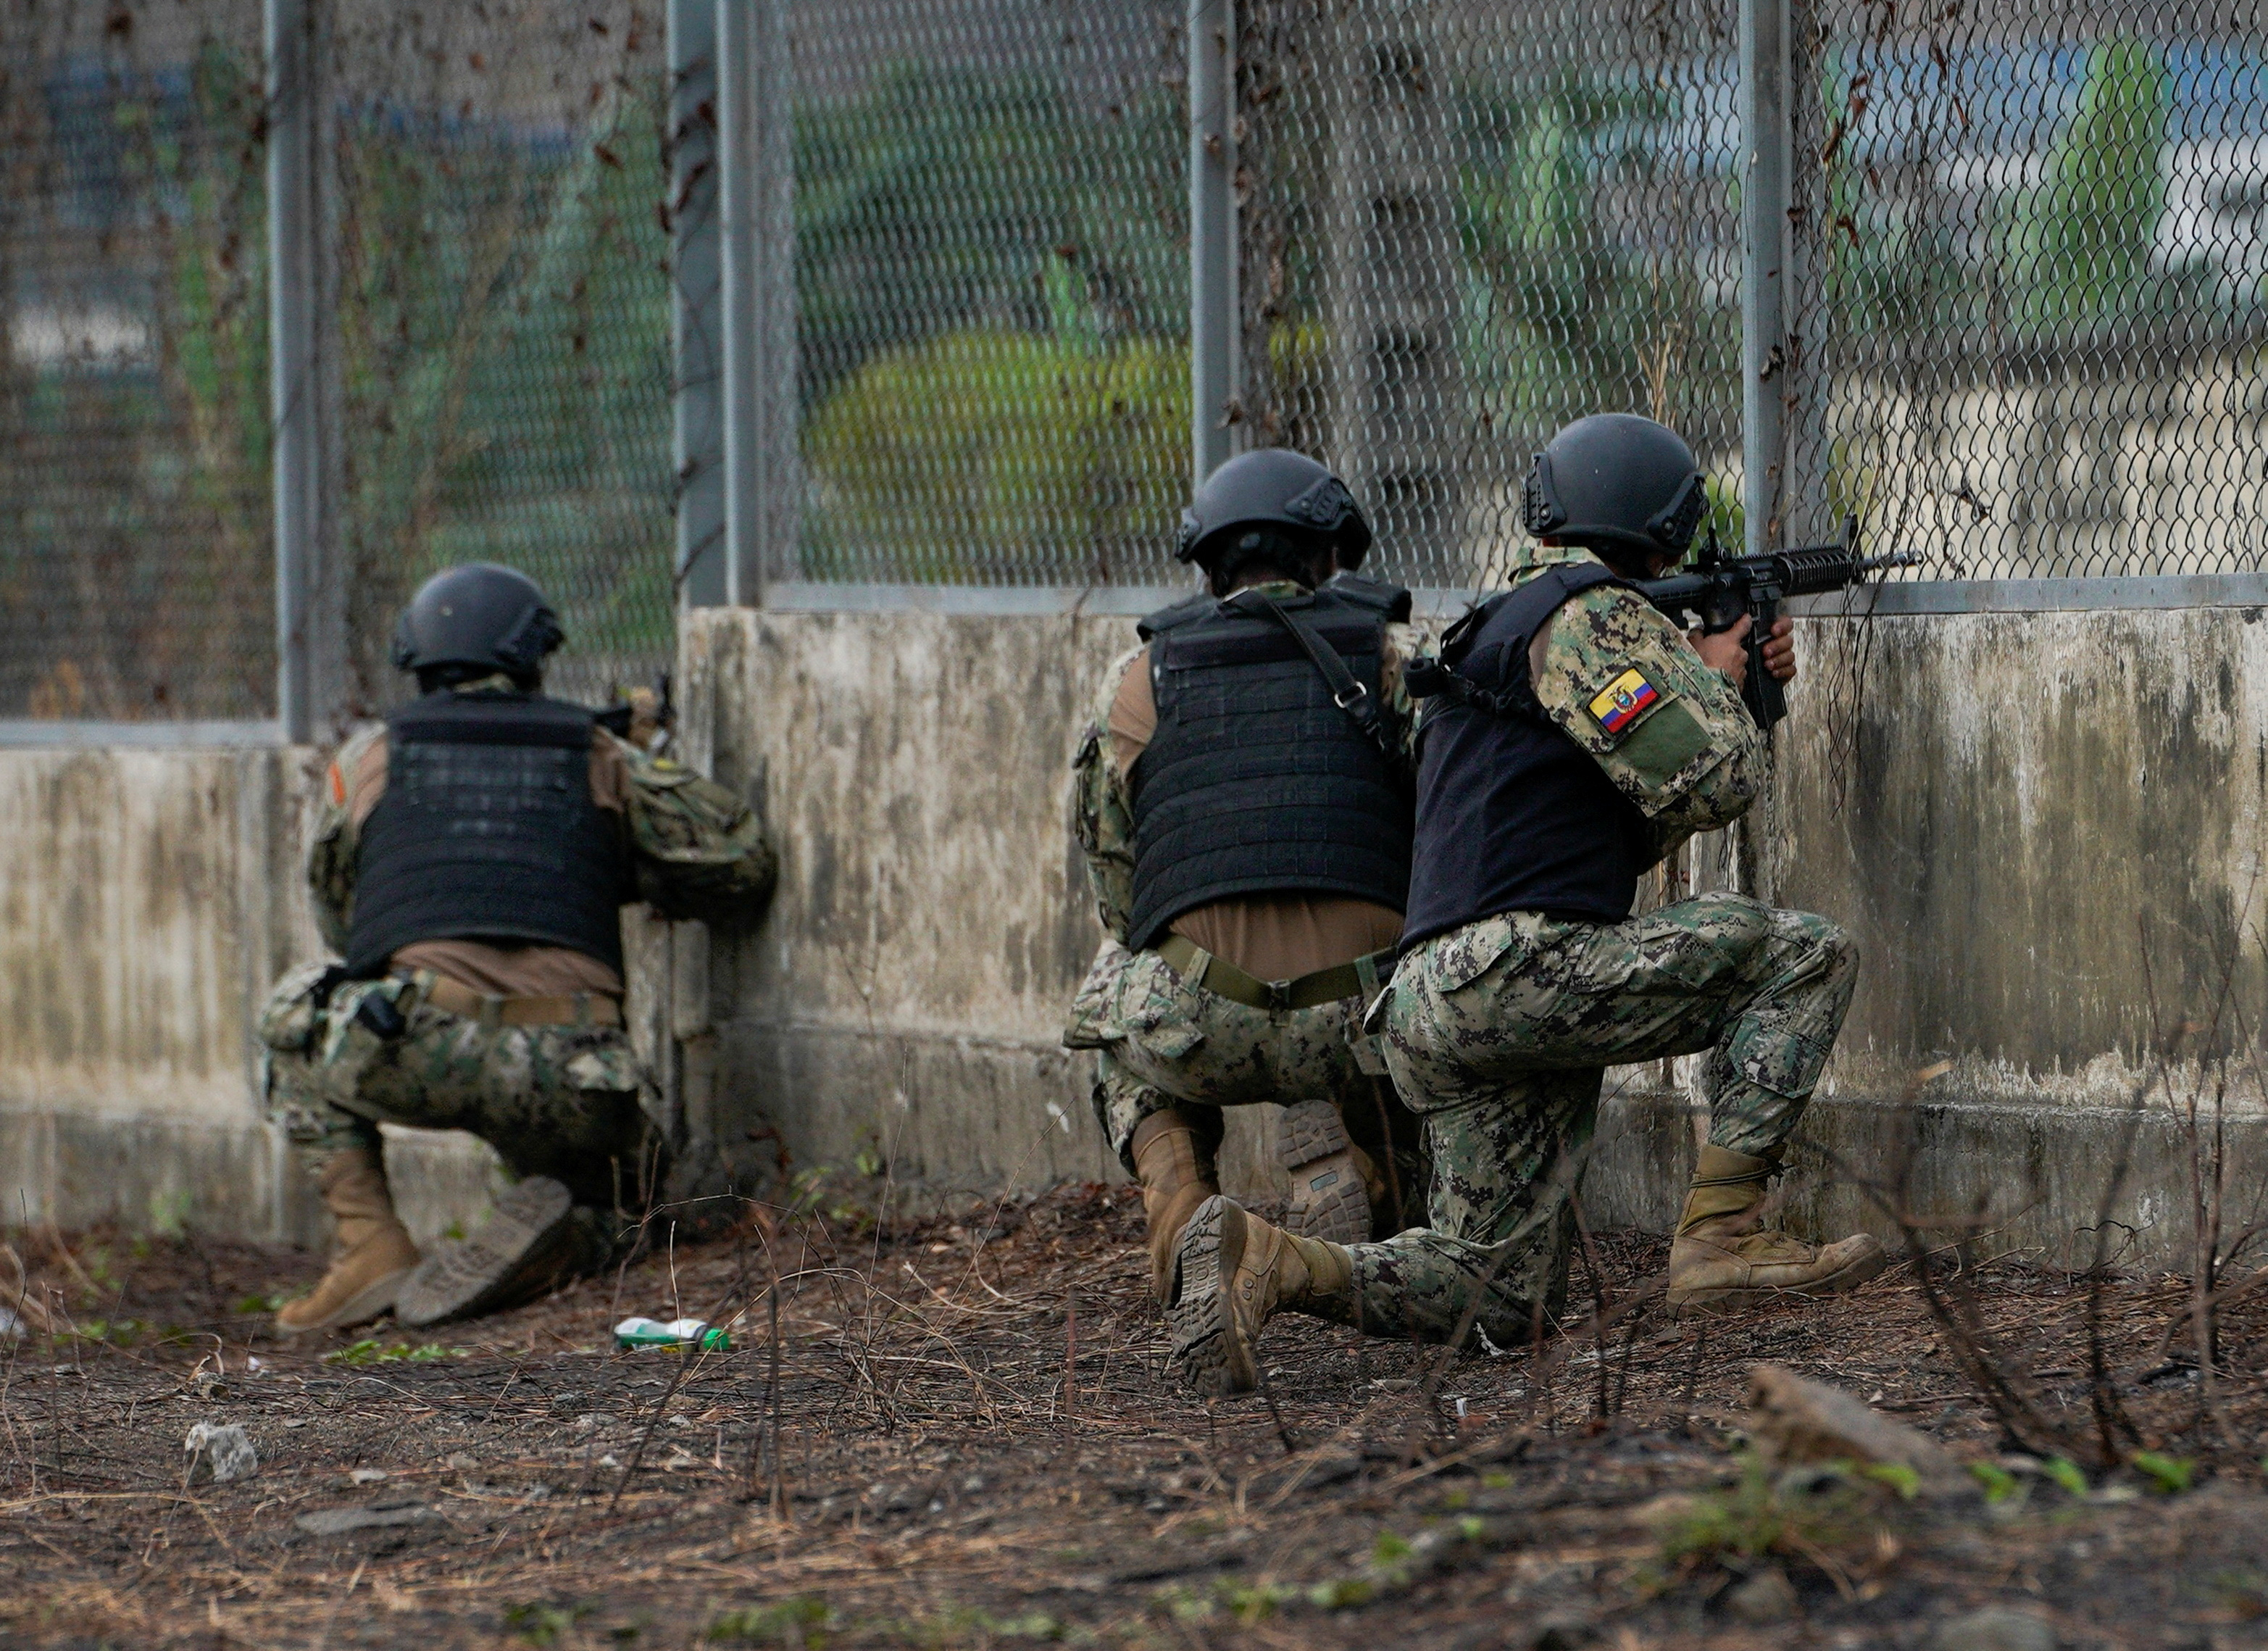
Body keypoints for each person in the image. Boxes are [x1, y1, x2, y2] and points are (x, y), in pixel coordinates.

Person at [1166, 415, 1882, 1395]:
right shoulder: (1592, 616)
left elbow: (1611, 822)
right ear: (1658, 526)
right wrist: (1721, 682)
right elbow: (1716, 781)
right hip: (1516, 970)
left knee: (1490, 1295)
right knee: (1806, 953)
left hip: (1431, 1002)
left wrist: (1721, 679)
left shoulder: (1491, 624)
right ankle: (1721, 1236)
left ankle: (1270, 1260)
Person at [256, 563, 775, 1335]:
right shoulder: (599, 755)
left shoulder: (369, 759)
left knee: (290, 1015)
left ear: (419, 661)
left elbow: (345, 922)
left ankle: (371, 1248)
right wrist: (619, 852)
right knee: (622, 1192)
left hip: (416, 1043)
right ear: (533, 656)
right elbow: (740, 858)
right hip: (572, 1068)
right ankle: (579, 1233)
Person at [1063, 448, 1429, 1310]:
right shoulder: (1393, 656)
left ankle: (1183, 1212)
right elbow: (1449, 835)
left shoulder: (1135, 680)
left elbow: (1120, 896)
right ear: (1327, 554)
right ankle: (1375, 1183)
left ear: (1209, 562)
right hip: (1362, 1018)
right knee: (1415, 967)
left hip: (1201, 1019)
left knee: (1112, 989)